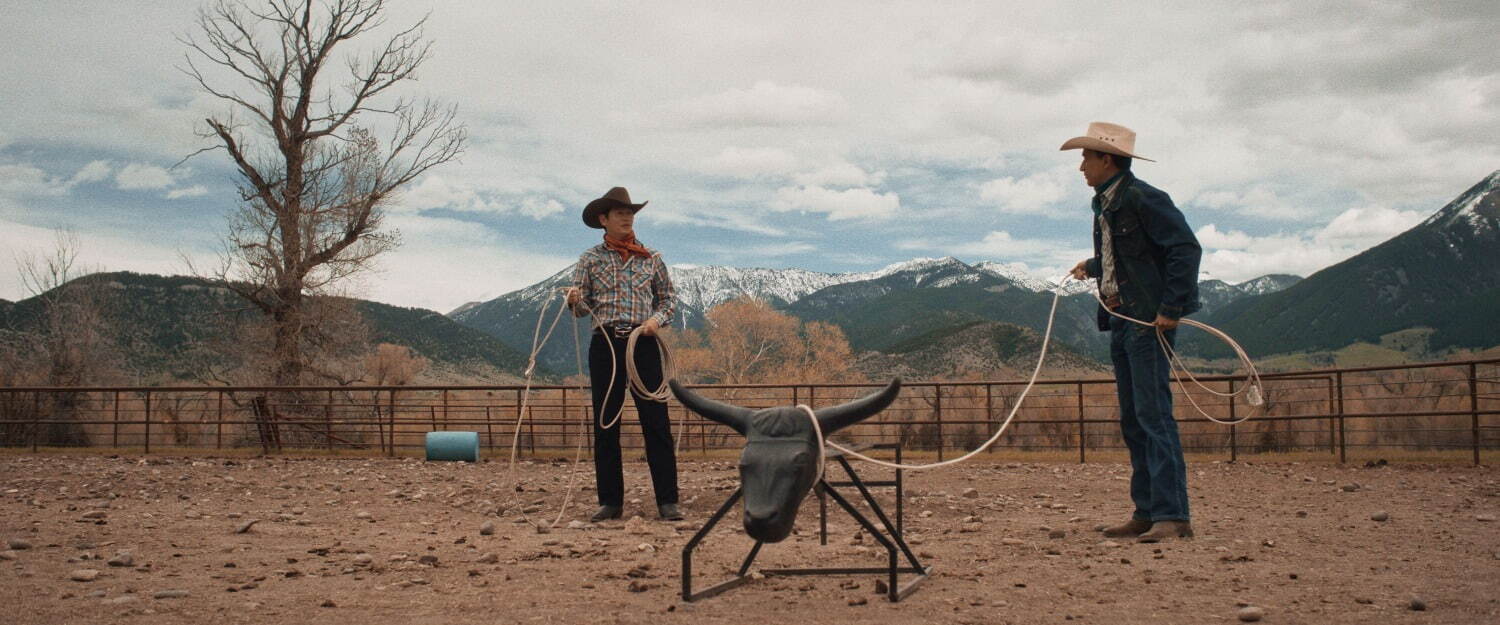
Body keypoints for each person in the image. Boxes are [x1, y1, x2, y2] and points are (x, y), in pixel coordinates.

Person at [1062, 122, 1202, 543]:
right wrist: (1094, 264)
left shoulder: (1143, 198)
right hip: (1123, 319)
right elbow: (1132, 256)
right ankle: (1147, 512)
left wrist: (1170, 307)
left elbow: (1184, 249)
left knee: (1153, 416)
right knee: (1135, 419)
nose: (1081, 166)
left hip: (1145, 320)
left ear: (1107, 159)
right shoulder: (1108, 204)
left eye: (1086, 157)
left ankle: (1172, 515)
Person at [565, 187, 683, 522]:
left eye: (630, 212)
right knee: (607, 423)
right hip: (605, 343)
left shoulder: (653, 259)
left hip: (642, 343)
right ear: (604, 219)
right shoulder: (590, 259)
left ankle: (667, 501)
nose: (627, 217)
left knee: (656, 421)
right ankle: (611, 502)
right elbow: (582, 309)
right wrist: (574, 300)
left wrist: (655, 321)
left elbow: (669, 300)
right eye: (620, 213)